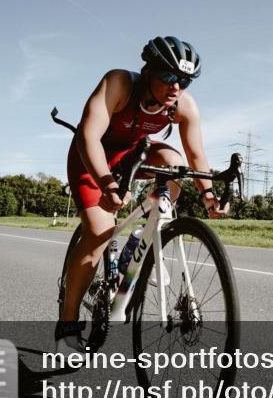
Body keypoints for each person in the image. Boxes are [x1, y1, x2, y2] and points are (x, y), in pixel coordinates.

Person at [57, 36, 228, 353]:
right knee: (100, 231)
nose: (176, 87)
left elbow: (196, 155)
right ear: (148, 70)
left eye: (185, 81)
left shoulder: (182, 105)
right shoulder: (119, 83)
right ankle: (67, 323)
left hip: (135, 156)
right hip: (91, 158)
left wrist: (208, 196)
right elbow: (88, 134)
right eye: (169, 77)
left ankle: (148, 226)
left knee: (175, 164)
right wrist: (106, 184)